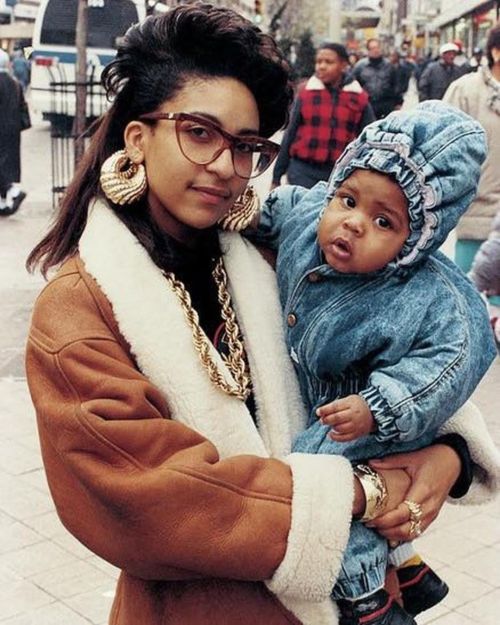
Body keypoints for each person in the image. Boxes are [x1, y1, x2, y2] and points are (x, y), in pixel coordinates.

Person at [24, 6, 500, 625]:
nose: (226, 165)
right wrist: (363, 490)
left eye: (246, 146)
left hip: (350, 604)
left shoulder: (276, 245)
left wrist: (448, 456)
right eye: (200, 132)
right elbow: (156, 499)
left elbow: (415, 345)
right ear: (136, 137)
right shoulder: (80, 308)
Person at [248, 101, 498, 625]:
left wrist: (380, 405)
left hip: (372, 407)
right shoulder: (308, 219)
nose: (352, 224)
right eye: (348, 199)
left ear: (416, 241)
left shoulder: (431, 297)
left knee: (320, 468)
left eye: (383, 220)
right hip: (326, 396)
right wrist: (247, 214)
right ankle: (410, 572)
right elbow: (282, 204)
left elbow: (449, 362)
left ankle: (367, 598)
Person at [271, 43, 374, 190]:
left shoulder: (358, 97)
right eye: (319, 62)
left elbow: (369, 140)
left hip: (340, 174)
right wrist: (277, 175)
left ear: (344, 64)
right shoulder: (306, 93)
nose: (322, 66)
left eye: (329, 62)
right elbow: (290, 134)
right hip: (303, 171)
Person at [443, 23, 500, 274]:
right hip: (478, 212)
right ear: (496, 52)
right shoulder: (465, 90)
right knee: (468, 296)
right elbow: (445, 148)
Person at [0, 48, 27, 216]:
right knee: (5, 164)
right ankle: (2, 202)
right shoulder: (14, 82)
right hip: (12, 130)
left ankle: (13, 191)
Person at [352, 38, 398, 119]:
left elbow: (396, 84)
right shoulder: (360, 67)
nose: (376, 50)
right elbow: (354, 85)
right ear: (368, 50)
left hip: (386, 105)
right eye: (373, 48)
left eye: (377, 47)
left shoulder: (389, 66)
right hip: (368, 105)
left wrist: (398, 102)